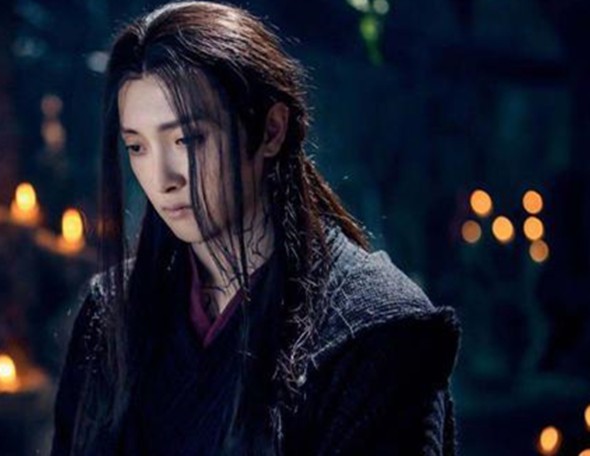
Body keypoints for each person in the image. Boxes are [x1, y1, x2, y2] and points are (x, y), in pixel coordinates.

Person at [51, 1, 462, 455]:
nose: (162, 178)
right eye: (137, 147)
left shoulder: (374, 330)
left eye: (186, 139)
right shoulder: (114, 312)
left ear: (271, 130)